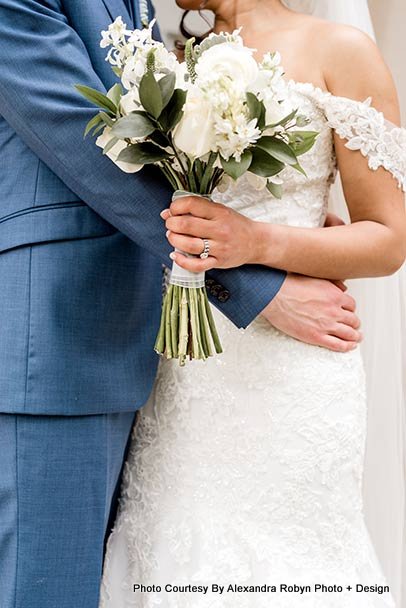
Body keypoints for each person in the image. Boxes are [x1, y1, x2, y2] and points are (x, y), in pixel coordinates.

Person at [0, 1, 364, 607]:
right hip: (69, 336)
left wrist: (287, 230)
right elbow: (83, 135)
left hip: (160, 354)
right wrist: (258, 282)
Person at [99, 1, 406, 607]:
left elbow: (389, 238)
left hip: (293, 369)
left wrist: (261, 241)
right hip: (185, 370)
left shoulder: (340, 51)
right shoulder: (172, 63)